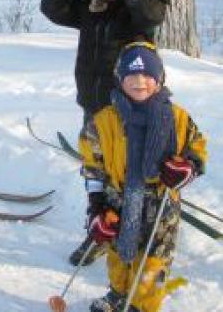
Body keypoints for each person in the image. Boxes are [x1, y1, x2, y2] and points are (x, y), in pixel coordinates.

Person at [40, 0, 170, 266]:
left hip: (130, 110)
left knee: (130, 173)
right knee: (97, 171)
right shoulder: (90, 6)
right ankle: (99, 229)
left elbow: (150, 12)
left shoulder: (140, 6)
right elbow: (51, 8)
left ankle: (136, 234)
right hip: (93, 106)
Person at [79, 42, 207, 312]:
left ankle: (142, 305)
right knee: (119, 253)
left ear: (159, 80)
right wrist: (97, 206)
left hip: (161, 204)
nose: (140, 82)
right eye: (131, 75)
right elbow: (93, 165)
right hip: (118, 199)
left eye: (148, 75)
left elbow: (196, 147)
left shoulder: (177, 118)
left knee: (152, 261)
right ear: (119, 79)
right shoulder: (103, 121)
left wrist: (188, 168)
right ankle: (118, 293)